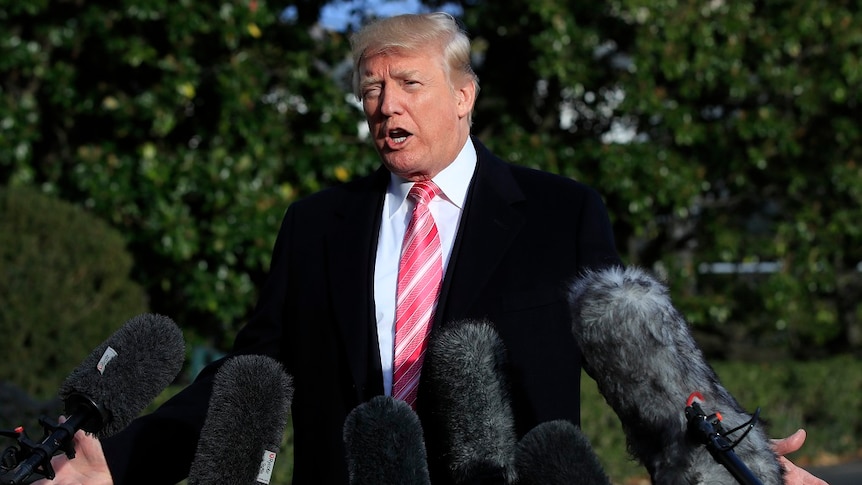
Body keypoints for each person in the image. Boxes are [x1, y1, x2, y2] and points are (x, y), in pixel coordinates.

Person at [37, 12, 827, 485]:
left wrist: (744, 460)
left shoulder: (560, 212)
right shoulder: (316, 225)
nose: (385, 107)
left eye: (408, 84)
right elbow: (249, 376)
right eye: (371, 90)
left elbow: (643, 364)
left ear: (463, 95)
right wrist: (115, 460)